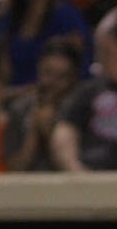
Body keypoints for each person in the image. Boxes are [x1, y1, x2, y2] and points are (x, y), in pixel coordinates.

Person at [49, 22, 117, 171]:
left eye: (107, 52)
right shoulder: (89, 91)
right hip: (96, 173)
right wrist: (73, 167)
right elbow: (65, 129)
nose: (101, 59)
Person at [5, 38, 82, 171]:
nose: (52, 82)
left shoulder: (82, 111)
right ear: (38, 69)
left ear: (74, 79)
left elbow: (77, 168)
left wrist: (49, 133)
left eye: (61, 76)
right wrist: (35, 131)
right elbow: (15, 169)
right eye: (48, 72)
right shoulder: (19, 109)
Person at [0, 0, 92, 91]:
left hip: (55, 98)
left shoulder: (66, 17)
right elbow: (3, 72)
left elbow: (74, 73)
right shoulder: (10, 17)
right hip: (13, 96)